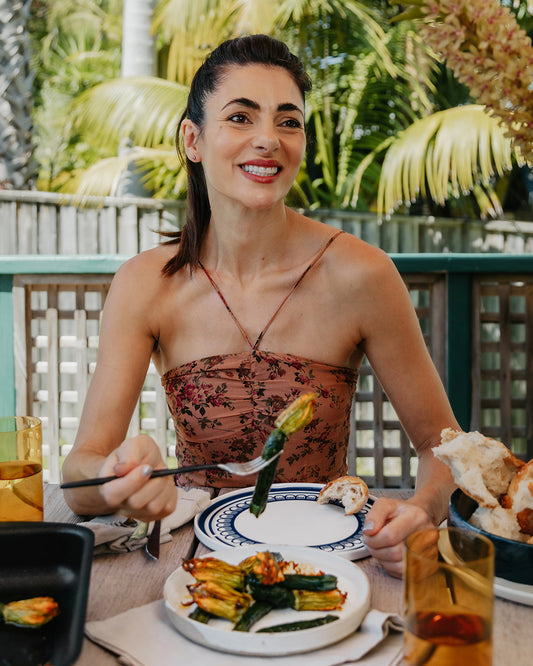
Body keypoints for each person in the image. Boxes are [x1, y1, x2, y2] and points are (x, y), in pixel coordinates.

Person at [62, 34, 459, 577]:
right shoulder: (144, 283)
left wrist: (420, 511)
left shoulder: (364, 274)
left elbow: (445, 447)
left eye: (288, 121)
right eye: (241, 118)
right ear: (193, 140)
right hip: (192, 568)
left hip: (331, 563)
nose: (268, 140)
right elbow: (79, 477)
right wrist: (118, 477)